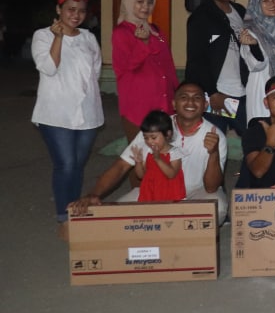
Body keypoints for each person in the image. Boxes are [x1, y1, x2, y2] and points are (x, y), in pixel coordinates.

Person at [70, 82, 229, 223]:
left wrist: (213, 153)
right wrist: (93, 194)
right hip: (155, 191)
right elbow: (122, 166)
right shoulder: (156, 127)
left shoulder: (215, 135)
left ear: (205, 104)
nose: (190, 102)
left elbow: (211, 188)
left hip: (195, 194)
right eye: (184, 97)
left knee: (218, 208)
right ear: (174, 103)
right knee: (115, 217)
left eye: (197, 98)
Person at [32, 0, 103, 236]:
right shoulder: (42, 36)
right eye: (70, 9)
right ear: (58, 10)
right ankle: (64, 217)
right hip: (56, 113)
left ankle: (73, 207)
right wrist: (58, 38)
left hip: (88, 113)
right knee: (66, 164)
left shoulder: (89, 38)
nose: (76, 15)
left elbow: (95, 72)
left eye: (81, 10)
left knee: (77, 166)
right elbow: (49, 68)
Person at [111, 0, 178, 142]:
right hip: (138, 105)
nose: (145, 6)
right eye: (140, 1)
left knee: (164, 150)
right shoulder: (121, 32)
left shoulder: (156, 30)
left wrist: (176, 92)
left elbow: (168, 66)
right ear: (129, 2)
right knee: (140, 152)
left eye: (149, 2)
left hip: (164, 101)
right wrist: (143, 43)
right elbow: (126, 67)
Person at [185, 0, 248, 135]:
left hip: (242, 92)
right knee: (214, 143)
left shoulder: (241, 12)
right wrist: (212, 93)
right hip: (217, 96)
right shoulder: (201, 17)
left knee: (252, 141)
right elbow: (197, 59)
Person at [127, 110, 186, 201]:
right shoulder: (147, 151)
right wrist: (138, 162)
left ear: (168, 134)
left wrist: (158, 159)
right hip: (150, 193)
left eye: (153, 137)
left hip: (170, 194)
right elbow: (141, 175)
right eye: (146, 138)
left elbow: (171, 174)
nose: (149, 141)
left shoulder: (174, 152)